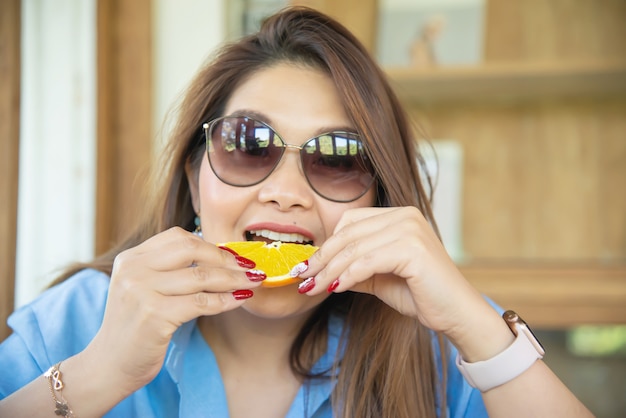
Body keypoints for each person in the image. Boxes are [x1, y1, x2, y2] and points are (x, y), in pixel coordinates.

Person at [0, 6, 592, 418]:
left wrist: (480, 329)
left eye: (339, 159)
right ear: (194, 175)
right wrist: (101, 373)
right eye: (247, 144)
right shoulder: (76, 322)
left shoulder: (446, 341)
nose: (286, 193)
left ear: (379, 201)